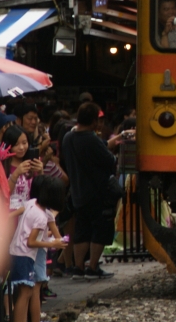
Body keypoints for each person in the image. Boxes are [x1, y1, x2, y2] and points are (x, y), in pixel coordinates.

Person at [60, 103, 116, 280]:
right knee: (100, 229)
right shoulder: (91, 138)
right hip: (97, 192)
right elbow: (109, 160)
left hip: (77, 191)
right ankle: (92, 267)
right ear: (93, 121)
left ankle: (77, 268)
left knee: (81, 230)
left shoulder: (68, 137)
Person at [7, 176, 66, 322]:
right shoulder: (40, 216)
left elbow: (18, 212)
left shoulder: (32, 203)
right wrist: (52, 244)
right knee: (25, 293)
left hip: (17, 251)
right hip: (24, 254)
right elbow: (31, 242)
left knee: (24, 293)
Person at [1, 125, 43, 211]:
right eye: (16, 144)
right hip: (9, 216)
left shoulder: (32, 162)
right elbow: (3, 195)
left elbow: (40, 191)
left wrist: (40, 172)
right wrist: (16, 174)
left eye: (24, 143)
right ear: (9, 145)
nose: (21, 147)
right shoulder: (1, 165)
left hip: (29, 215)